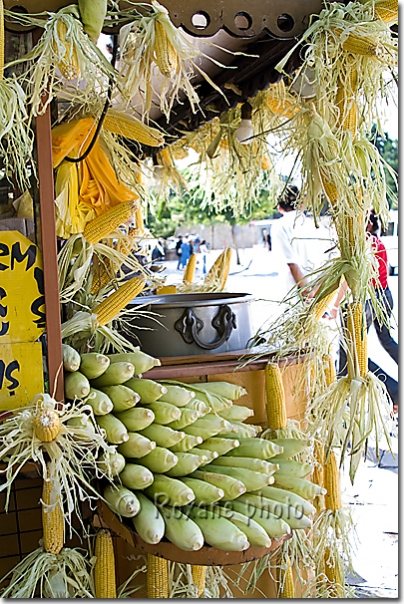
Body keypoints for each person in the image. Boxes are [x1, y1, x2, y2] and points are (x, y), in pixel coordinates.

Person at [336, 211, 398, 410]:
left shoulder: (359, 245)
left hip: (368, 300)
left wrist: (335, 305)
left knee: (351, 353)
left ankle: (394, 390)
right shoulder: (378, 242)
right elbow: (384, 271)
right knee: (386, 340)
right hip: (385, 295)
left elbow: (347, 281)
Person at [270, 185, 313, 298]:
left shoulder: (279, 226)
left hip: (296, 296)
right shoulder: (316, 226)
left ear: (279, 207)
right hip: (321, 297)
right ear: (301, 203)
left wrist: (307, 294)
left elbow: (292, 264)